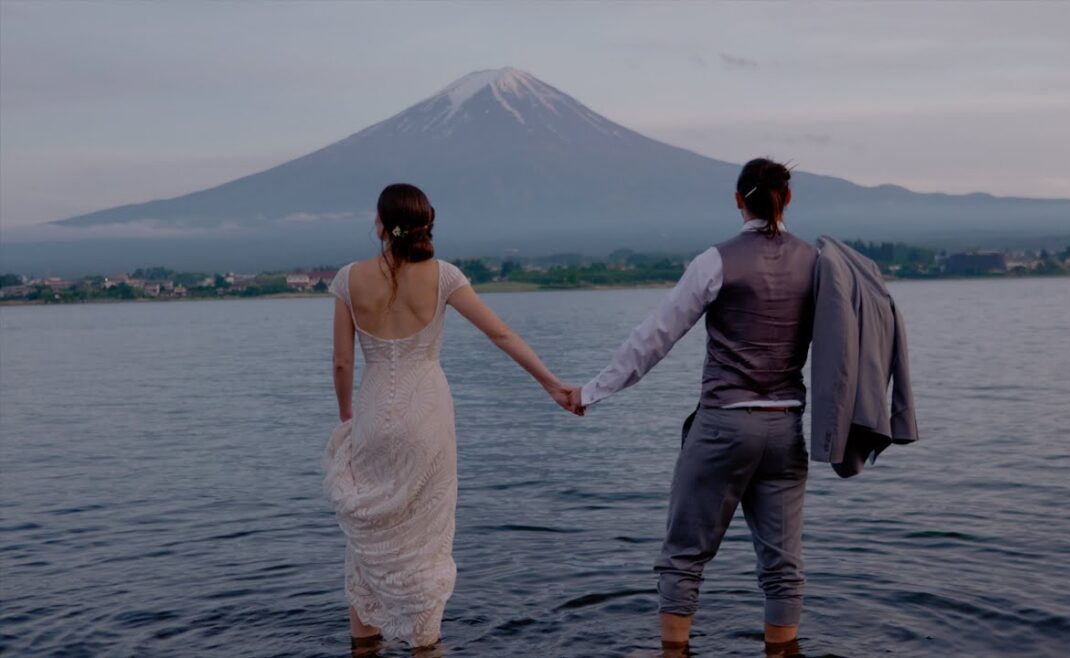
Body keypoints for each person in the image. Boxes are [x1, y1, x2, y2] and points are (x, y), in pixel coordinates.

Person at [569, 158, 817, 655]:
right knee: (782, 566)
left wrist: (592, 391)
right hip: (787, 428)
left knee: (684, 556)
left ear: (737, 201)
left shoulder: (716, 260)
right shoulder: (818, 262)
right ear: (787, 199)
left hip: (724, 427)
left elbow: (655, 337)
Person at [323, 183, 579, 653]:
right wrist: (551, 383)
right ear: (426, 223)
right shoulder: (443, 277)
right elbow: (500, 335)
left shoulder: (348, 279)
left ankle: (364, 641)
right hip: (428, 416)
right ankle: (425, 641)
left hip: (373, 412)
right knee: (426, 531)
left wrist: (346, 415)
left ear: (381, 224)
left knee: (368, 528)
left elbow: (342, 362)